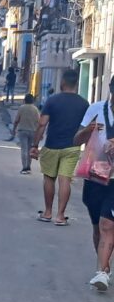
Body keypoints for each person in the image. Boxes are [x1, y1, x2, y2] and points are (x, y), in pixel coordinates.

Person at [31, 69, 90, 226]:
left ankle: (48, 212)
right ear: (76, 84)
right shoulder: (84, 104)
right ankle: (60, 216)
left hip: (52, 145)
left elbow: (42, 123)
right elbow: (87, 128)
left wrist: (35, 145)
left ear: (62, 82)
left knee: (49, 178)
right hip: (72, 147)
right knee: (65, 180)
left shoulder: (52, 100)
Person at [73, 76, 114, 290]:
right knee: (98, 226)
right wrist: (88, 130)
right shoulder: (96, 109)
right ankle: (103, 268)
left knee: (108, 224)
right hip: (96, 176)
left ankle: (101, 272)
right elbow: (76, 140)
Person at [12, 93, 40, 174]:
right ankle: (28, 167)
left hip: (22, 131)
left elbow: (17, 120)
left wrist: (14, 129)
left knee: (24, 149)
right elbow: (38, 122)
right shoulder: (35, 109)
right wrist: (39, 134)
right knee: (30, 149)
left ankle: (24, 167)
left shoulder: (22, 108)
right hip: (33, 132)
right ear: (32, 101)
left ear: (24, 100)